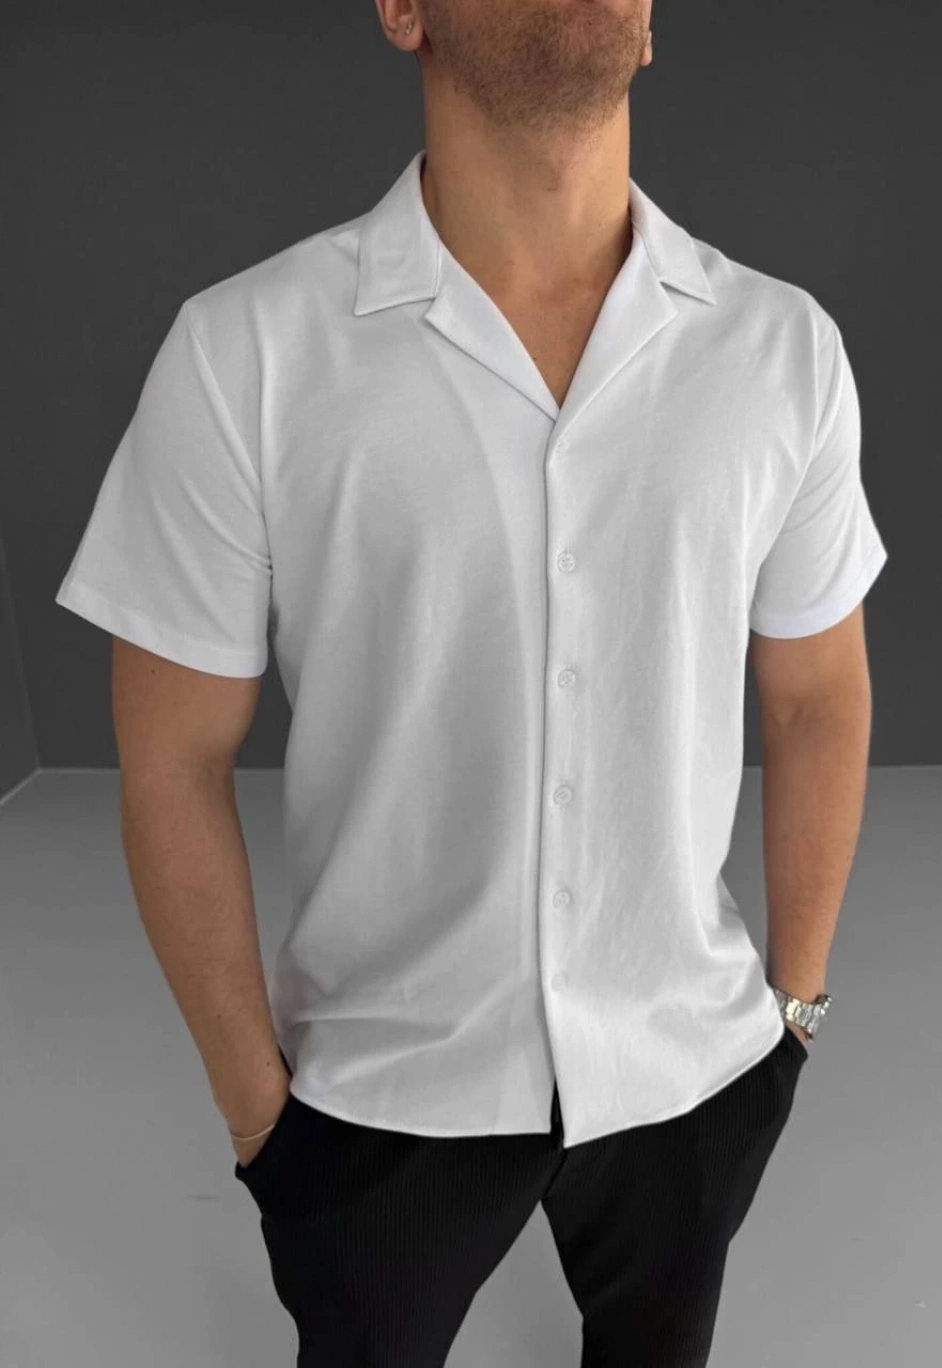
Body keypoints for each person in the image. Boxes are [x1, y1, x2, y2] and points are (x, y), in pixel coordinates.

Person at [56, 1, 888, 1364]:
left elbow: (816, 698)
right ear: (402, 7)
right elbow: (171, 762)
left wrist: (792, 1017)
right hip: (377, 1093)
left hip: (691, 1066)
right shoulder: (246, 356)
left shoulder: (781, 352)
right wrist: (259, 1112)